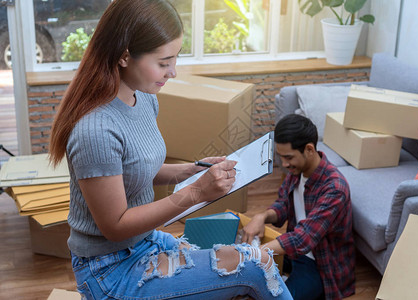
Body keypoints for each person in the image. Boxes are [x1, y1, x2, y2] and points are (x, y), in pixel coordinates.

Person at [48, 0, 293, 299]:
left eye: (174, 59)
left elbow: (136, 169)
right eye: (164, 63)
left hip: (144, 242)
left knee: (247, 263)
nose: (173, 72)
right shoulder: (95, 130)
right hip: (110, 269)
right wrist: (195, 192)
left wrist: (191, 170)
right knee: (259, 265)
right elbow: (115, 226)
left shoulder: (144, 97)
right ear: (125, 56)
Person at [242, 114, 355, 300]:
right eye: (281, 157)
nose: (284, 164)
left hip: (319, 264)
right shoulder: (297, 171)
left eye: (288, 157)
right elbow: (282, 206)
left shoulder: (334, 189)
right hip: (293, 253)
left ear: (309, 149)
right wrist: (260, 217)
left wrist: (256, 254)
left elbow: (304, 238)